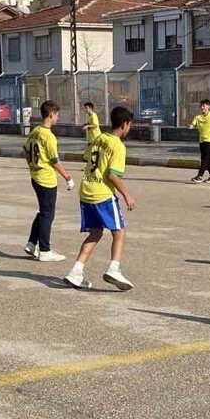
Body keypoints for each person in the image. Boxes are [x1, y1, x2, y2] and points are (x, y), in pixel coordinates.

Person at [65, 106, 136, 291]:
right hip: (102, 193)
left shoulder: (99, 138)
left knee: (95, 233)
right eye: (130, 125)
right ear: (125, 124)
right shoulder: (118, 145)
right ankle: (114, 268)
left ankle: (75, 271)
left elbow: (87, 158)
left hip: (86, 190)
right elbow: (112, 175)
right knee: (119, 231)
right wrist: (127, 194)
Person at [24, 101, 75, 261]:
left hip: (35, 176)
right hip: (46, 179)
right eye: (57, 115)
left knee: (42, 212)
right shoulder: (49, 136)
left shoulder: (35, 131)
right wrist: (67, 176)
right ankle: (45, 250)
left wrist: (32, 167)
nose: (58, 118)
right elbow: (55, 161)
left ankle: (32, 243)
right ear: (51, 115)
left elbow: (26, 150)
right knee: (48, 214)